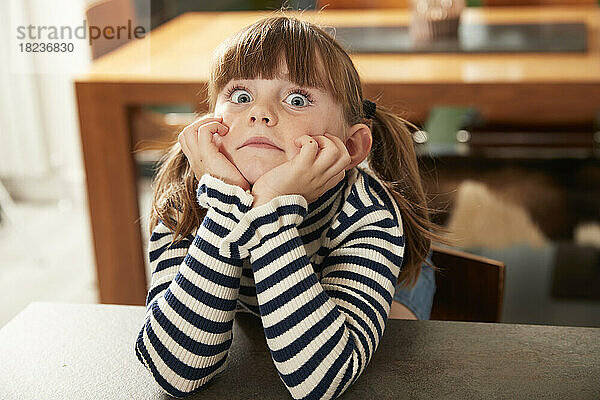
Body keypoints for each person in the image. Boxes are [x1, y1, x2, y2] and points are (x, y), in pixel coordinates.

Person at [134, 14, 442, 399]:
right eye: (241, 96)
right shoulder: (186, 201)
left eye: (297, 99)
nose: (260, 114)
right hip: (273, 303)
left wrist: (271, 209)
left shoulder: (368, 214)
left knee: (398, 359)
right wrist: (229, 202)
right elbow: (174, 372)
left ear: (352, 147)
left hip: (389, 278)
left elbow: (320, 381)